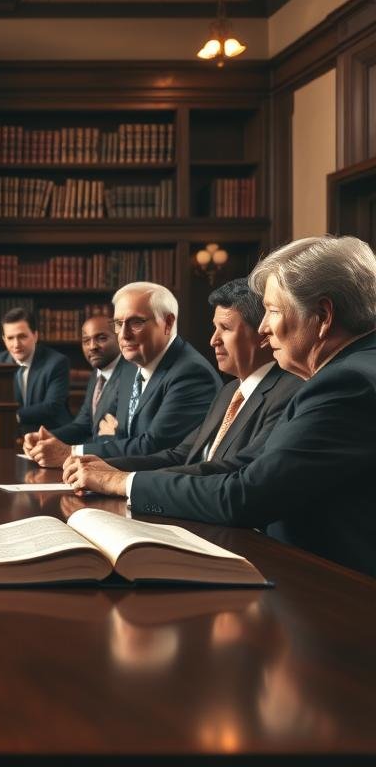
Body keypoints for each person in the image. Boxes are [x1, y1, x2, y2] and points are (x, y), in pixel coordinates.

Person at [67, 236, 376, 577]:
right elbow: (240, 467)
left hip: (334, 594)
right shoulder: (351, 371)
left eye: (272, 310)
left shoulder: (345, 384)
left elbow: (245, 495)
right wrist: (118, 476)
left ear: (323, 315)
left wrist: (122, 483)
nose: (263, 328)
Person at [63, 277, 301, 491]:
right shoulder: (230, 391)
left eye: (225, 329)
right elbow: (181, 455)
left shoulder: (290, 391)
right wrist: (104, 466)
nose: (213, 340)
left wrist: (122, 481)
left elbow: (236, 472)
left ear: (263, 333)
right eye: (214, 328)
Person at [24, 281, 220, 466]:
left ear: (168, 323)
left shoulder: (191, 373)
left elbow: (152, 447)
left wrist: (70, 452)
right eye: (119, 323)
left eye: (136, 322)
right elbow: (119, 436)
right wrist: (53, 441)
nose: (124, 335)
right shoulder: (130, 368)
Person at [0, 307, 70, 432]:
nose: (16, 344)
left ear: (35, 336)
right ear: (4, 339)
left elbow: (52, 406)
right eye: (10, 338)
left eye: (22, 337)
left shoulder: (56, 362)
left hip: (50, 434)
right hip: (8, 435)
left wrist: (14, 416)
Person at [50, 315, 131, 445]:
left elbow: (115, 437)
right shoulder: (96, 374)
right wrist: (46, 437)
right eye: (86, 341)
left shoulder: (130, 375)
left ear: (119, 338)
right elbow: (83, 424)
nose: (92, 346)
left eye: (101, 338)